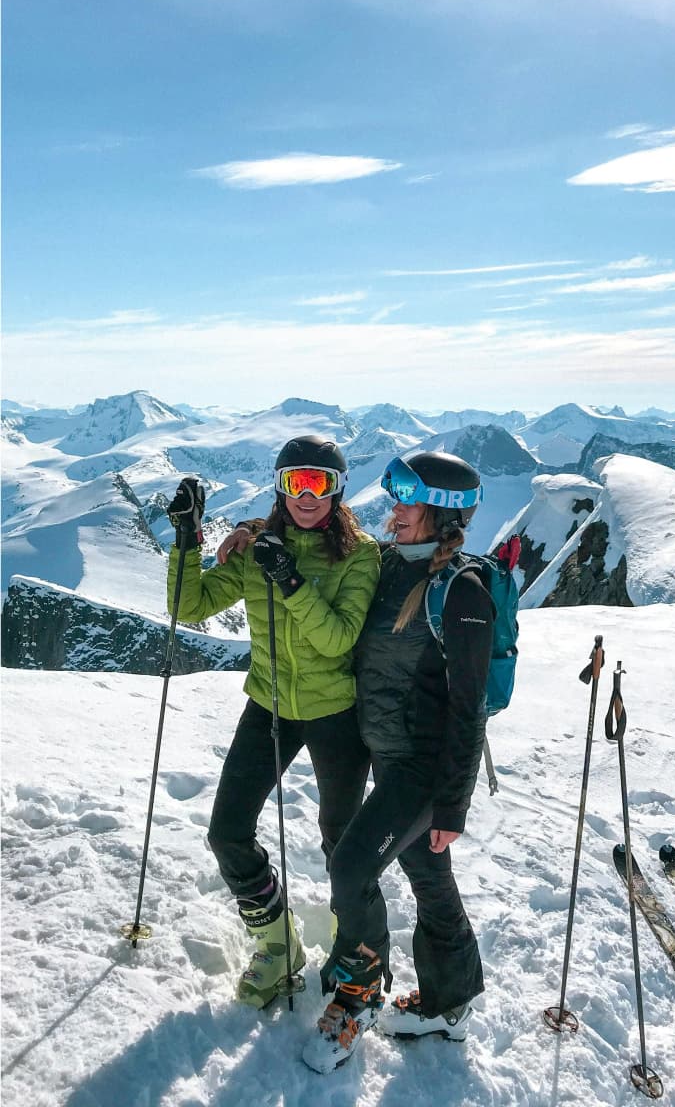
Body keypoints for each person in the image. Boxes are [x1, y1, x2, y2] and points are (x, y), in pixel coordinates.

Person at [165, 435, 380, 1009]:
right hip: (269, 703)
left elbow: (337, 639)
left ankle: (356, 950)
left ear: (338, 490)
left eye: (319, 483)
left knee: (343, 843)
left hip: (336, 712)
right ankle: (277, 943)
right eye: (295, 482)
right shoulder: (257, 547)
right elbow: (189, 606)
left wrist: (290, 581)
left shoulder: (360, 555)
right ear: (280, 487)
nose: (306, 496)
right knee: (227, 831)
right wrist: (187, 541)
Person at [301, 450, 494, 1074]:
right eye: (397, 494)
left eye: (410, 498)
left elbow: (469, 708)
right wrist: (250, 533)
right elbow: (320, 541)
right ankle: (449, 1003)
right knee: (427, 875)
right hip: (383, 750)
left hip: (421, 769)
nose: (396, 507)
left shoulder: (461, 592)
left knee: (351, 865)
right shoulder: (386, 564)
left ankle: (358, 996)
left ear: (443, 512)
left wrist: (452, 806)